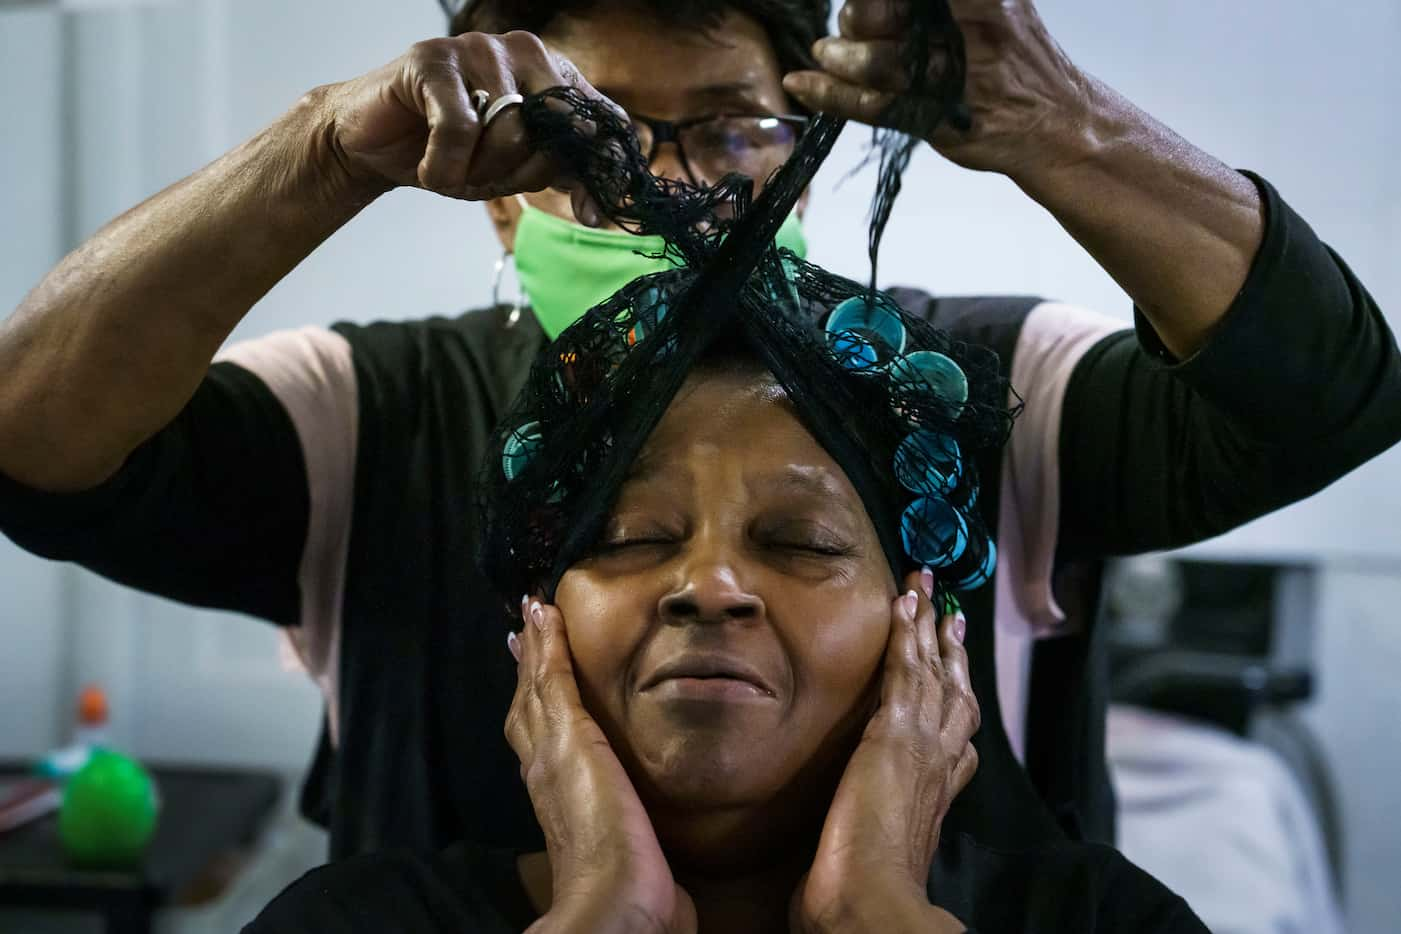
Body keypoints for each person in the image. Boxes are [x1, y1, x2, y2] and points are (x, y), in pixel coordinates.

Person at [0, 0, 1398, 860]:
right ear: (496, 196)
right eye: (588, 133)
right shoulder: (365, 412)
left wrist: (1061, 126)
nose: (656, 181)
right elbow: (32, 439)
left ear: (803, 156)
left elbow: (1321, 396)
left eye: (731, 130)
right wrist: (318, 152)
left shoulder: (967, 387)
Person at [244, 264, 1210, 931]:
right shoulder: (353, 919)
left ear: (924, 626)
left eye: (802, 541)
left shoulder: (1098, 919)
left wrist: (874, 914)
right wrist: (603, 918)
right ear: (537, 620)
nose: (708, 587)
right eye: (631, 539)